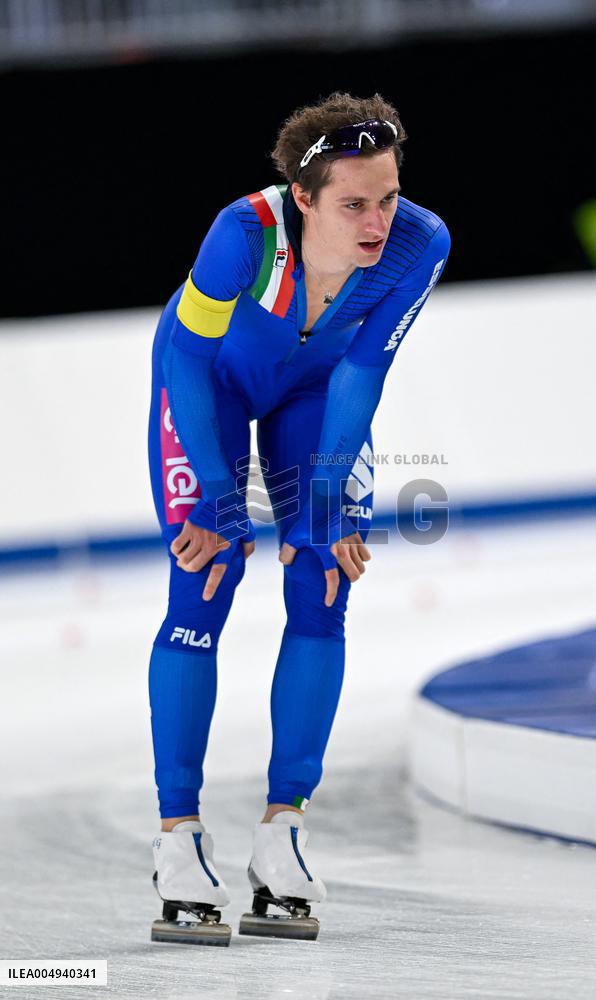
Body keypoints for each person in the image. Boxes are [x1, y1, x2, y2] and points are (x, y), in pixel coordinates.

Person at [147, 91, 451, 943]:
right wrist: (218, 496)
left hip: (316, 396)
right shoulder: (242, 235)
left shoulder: (421, 243)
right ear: (304, 199)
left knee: (323, 573)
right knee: (207, 571)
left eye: (389, 197)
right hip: (208, 388)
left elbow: (361, 374)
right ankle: (177, 835)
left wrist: (323, 506)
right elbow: (187, 361)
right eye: (355, 204)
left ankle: (284, 828)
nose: (378, 222)